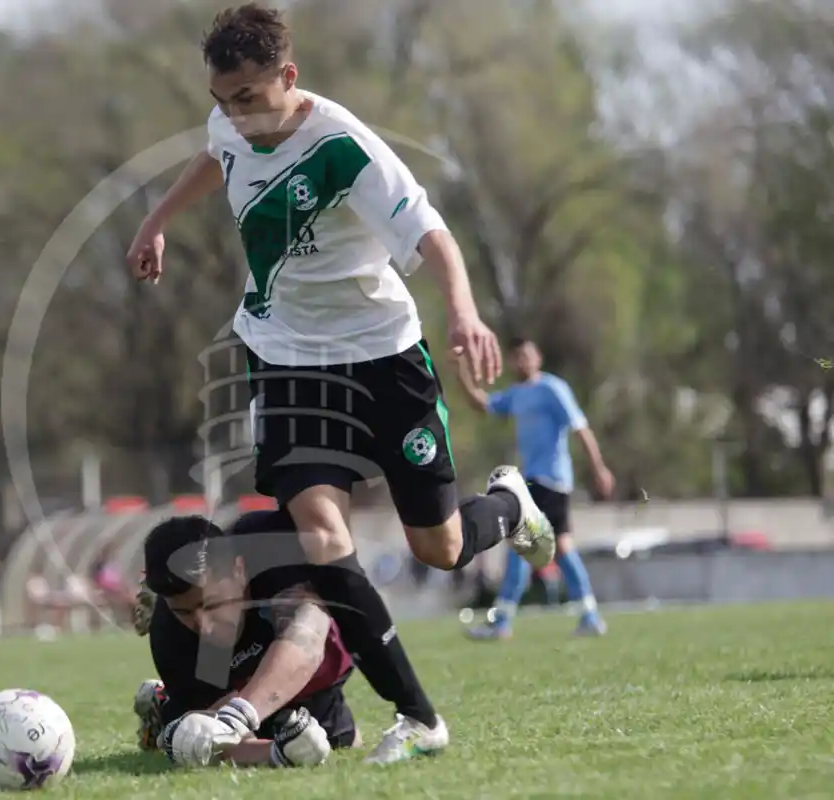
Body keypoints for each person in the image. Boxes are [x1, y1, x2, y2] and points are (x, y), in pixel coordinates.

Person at [125, 3, 554, 761]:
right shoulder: (232, 120)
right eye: (221, 100)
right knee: (326, 541)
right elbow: (214, 153)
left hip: (383, 356)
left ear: (288, 78)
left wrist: (461, 311)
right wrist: (155, 219)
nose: (234, 115)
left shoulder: (346, 149)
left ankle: (507, 505)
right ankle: (419, 717)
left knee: (441, 546)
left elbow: (431, 233)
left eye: (249, 99)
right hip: (286, 358)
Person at [133, 511, 368, 768]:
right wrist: (279, 754)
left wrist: (238, 716)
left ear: (239, 571)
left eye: (210, 604)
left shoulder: (276, 569)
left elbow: (306, 644)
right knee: (194, 738)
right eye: (184, 612)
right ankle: (165, 705)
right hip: (232, 686)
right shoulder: (170, 635)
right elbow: (228, 739)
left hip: (307, 677)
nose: (203, 625)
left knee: (345, 742)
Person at [454, 338, 614, 638]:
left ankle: (501, 622)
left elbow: (580, 428)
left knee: (520, 542)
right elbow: (481, 403)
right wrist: (461, 370)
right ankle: (590, 616)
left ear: (538, 358)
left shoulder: (552, 389)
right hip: (540, 481)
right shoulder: (517, 394)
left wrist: (599, 468)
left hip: (549, 480)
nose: (522, 362)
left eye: (526, 355)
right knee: (562, 548)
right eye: (517, 358)